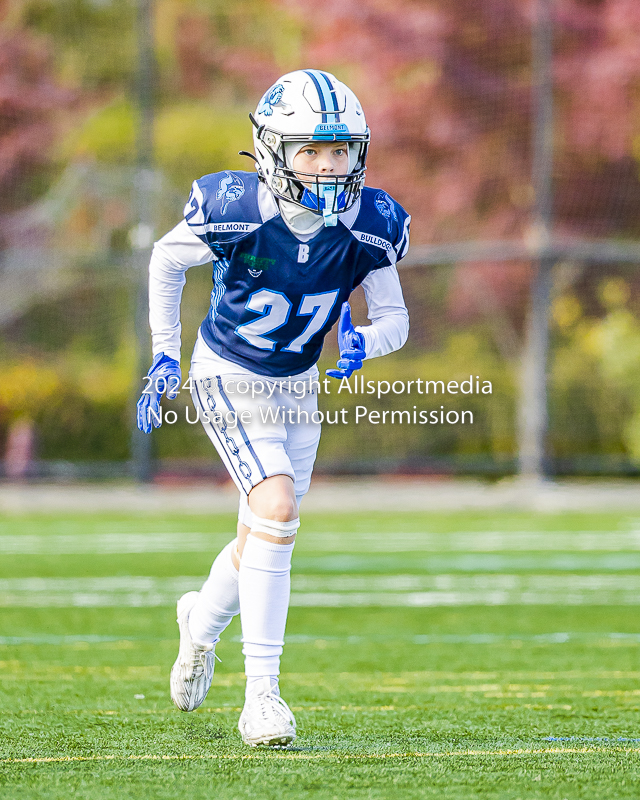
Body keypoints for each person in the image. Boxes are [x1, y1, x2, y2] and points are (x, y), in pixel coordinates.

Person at [136, 69, 411, 747]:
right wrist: (165, 353)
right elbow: (167, 262)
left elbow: (397, 320)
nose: (328, 165)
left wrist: (362, 341)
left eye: (340, 150)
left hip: (295, 386)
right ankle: (262, 696)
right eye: (310, 151)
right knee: (278, 508)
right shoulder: (237, 208)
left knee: (261, 532)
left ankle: (199, 627)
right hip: (228, 373)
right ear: (273, 152)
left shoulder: (369, 224)